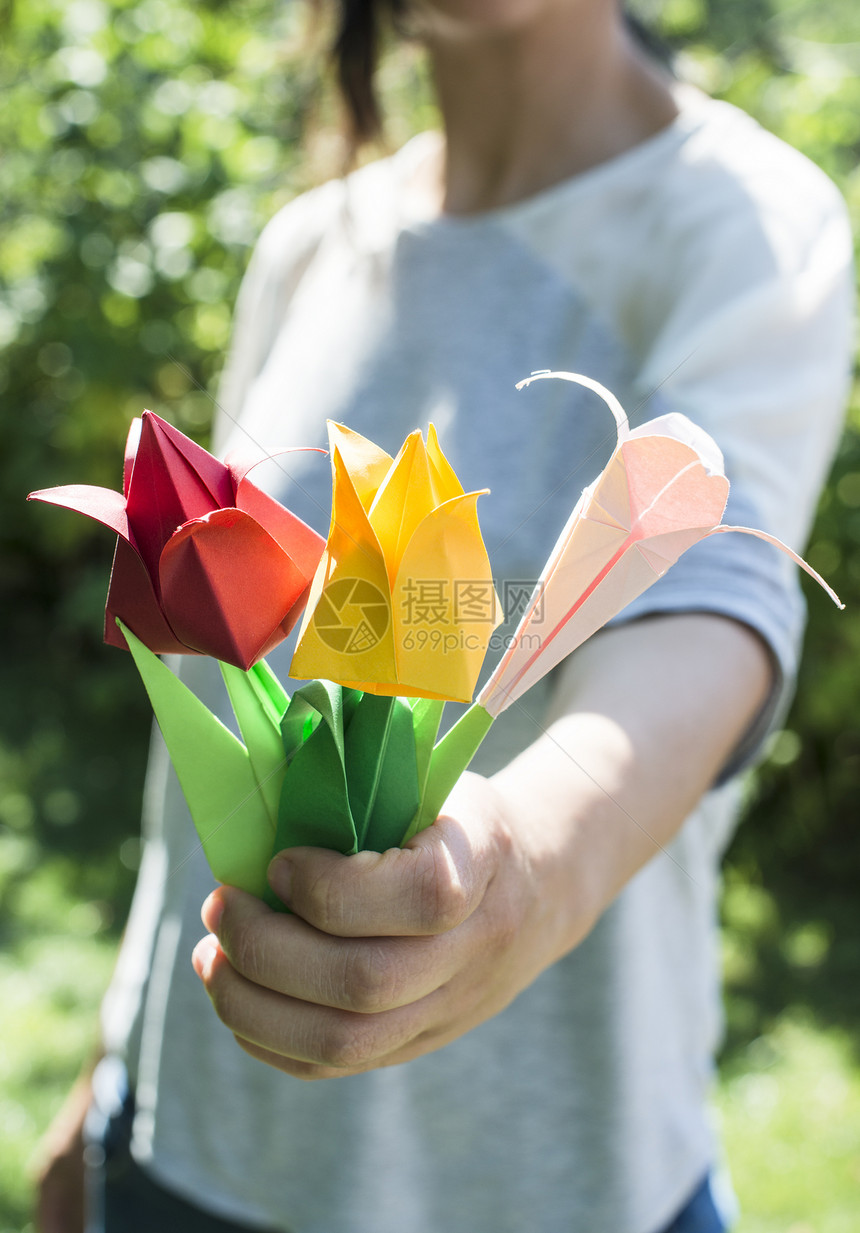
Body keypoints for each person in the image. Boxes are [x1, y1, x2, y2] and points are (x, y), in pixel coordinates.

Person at [35, 1, 854, 1230]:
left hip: (543, 1189)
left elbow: (703, 611)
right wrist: (112, 1071)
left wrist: (517, 869)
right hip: (188, 1149)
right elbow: (198, 727)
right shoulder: (315, 245)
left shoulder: (740, 221)